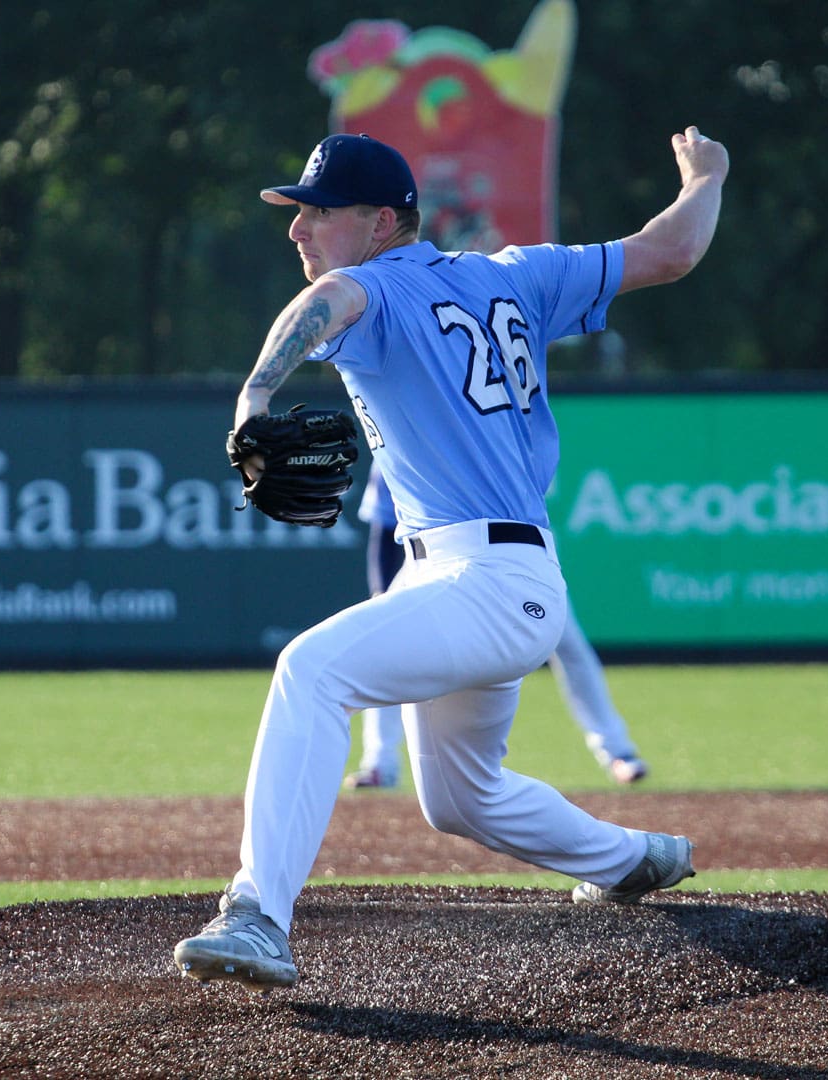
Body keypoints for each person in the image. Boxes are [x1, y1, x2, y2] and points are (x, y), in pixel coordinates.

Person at [173, 127, 728, 990]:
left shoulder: (373, 287)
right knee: (460, 798)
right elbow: (675, 250)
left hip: (487, 581)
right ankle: (632, 860)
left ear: (383, 219)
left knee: (309, 670)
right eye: (298, 213)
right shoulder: (521, 273)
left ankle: (258, 916)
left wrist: (254, 393)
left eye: (318, 212)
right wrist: (707, 176)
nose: (298, 230)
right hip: (486, 578)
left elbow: (326, 308)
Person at [344, 461, 651, 789]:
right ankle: (380, 762)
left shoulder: (492, 422)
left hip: (515, 550)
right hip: (430, 556)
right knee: (392, 644)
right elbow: (384, 522)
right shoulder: (402, 428)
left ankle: (618, 751)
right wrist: (381, 592)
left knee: (569, 645)